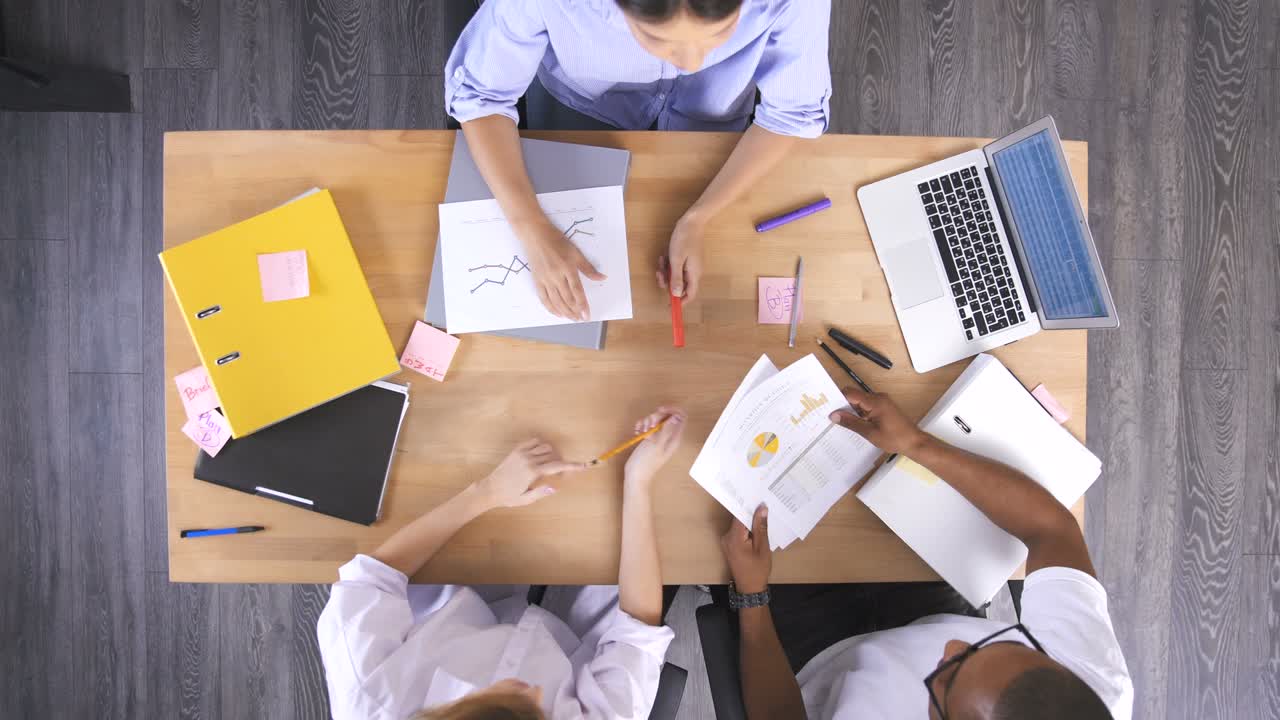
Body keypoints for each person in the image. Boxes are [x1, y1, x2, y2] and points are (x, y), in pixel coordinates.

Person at [717, 387, 1134, 719]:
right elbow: (1051, 530)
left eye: (948, 679)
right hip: (924, 604)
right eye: (993, 645)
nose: (952, 646)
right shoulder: (1096, 691)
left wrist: (752, 597)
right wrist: (916, 443)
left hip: (813, 653)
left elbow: (778, 714)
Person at [444, 0, 832, 320]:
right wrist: (531, 229)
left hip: (712, 122)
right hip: (585, 104)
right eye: (656, 38)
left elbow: (791, 114)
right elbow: (482, 97)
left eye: (720, 34)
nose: (692, 63)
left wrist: (699, 218)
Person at [317, 407, 688, 720]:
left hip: (451, 605)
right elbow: (637, 632)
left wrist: (489, 491)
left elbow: (372, 579)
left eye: (508, 695)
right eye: (540, 711)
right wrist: (638, 480)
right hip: (571, 646)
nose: (536, 692)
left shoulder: (369, 696)